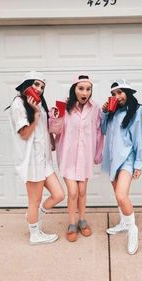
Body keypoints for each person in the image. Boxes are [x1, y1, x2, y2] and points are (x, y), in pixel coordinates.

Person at [8, 71, 65, 245]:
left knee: (59, 194)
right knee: (34, 200)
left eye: (42, 86)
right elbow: (25, 133)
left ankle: (32, 216)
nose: (39, 89)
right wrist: (36, 113)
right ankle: (35, 233)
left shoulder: (38, 104)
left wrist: (51, 121)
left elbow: (44, 130)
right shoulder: (18, 104)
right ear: (26, 84)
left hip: (44, 159)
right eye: (36, 85)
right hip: (32, 160)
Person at [49, 75, 104, 242]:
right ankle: (72, 224)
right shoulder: (64, 107)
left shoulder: (95, 108)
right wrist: (57, 117)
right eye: (81, 88)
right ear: (74, 89)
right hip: (68, 156)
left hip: (85, 156)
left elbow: (99, 132)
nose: (85, 92)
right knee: (72, 192)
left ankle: (82, 220)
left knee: (82, 191)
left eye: (88, 89)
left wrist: (97, 155)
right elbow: (55, 131)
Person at [101, 79, 142, 255]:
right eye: (113, 93)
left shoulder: (138, 111)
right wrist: (105, 113)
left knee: (122, 195)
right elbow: (104, 130)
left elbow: (140, 140)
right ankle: (123, 222)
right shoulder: (113, 112)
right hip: (113, 160)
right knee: (117, 195)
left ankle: (132, 229)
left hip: (127, 160)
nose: (117, 96)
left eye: (120, 92)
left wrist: (138, 164)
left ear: (128, 93)